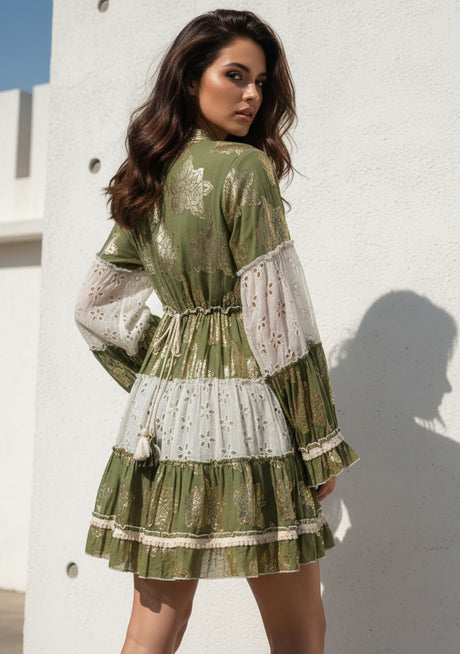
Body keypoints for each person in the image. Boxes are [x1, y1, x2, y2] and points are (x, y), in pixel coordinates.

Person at [74, 9, 360, 654]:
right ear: (189, 77)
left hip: (160, 421)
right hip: (250, 417)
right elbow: (277, 323)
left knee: (152, 630)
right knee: (300, 633)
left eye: (260, 81)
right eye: (236, 75)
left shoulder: (147, 177)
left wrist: (165, 370)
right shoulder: (244, 169)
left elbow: (94, 309)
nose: (252, 94)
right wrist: (318, 442)